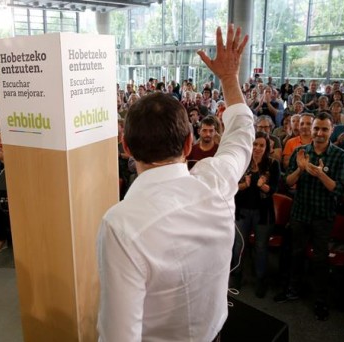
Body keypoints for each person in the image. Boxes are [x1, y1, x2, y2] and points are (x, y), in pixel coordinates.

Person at [97, 24, 251, 341]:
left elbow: (118, 335)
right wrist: (229, 79)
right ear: (187, 144)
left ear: (126, 147)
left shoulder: (121, 224)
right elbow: (241, 135)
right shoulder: (216, 180)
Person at [275, 112, 344, 321]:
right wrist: (299, 170)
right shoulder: (300, 151)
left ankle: (320, 300)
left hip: (323, 216)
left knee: (320, 259)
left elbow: (339, 189)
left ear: (332, 130)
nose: (319, 132)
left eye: (324, 129)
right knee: (296, 253)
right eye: (316, 128)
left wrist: (319, 173)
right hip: (300, 212)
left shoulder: (340, 156)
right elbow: (288, 183)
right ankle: (292, 290)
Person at [230, 131, 280, 297]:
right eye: (254, 144)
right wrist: (244, 185)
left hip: (262, 213)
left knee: (260, 247)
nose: (257, 148)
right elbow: (232, 187)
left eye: (261, 145)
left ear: (266, 148)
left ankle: (260, 279)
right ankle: (236, 275)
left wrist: (262, 186)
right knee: (238, 245)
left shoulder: (273, 164)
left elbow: (274, 189)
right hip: (242, 211)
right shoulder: (242, 162)